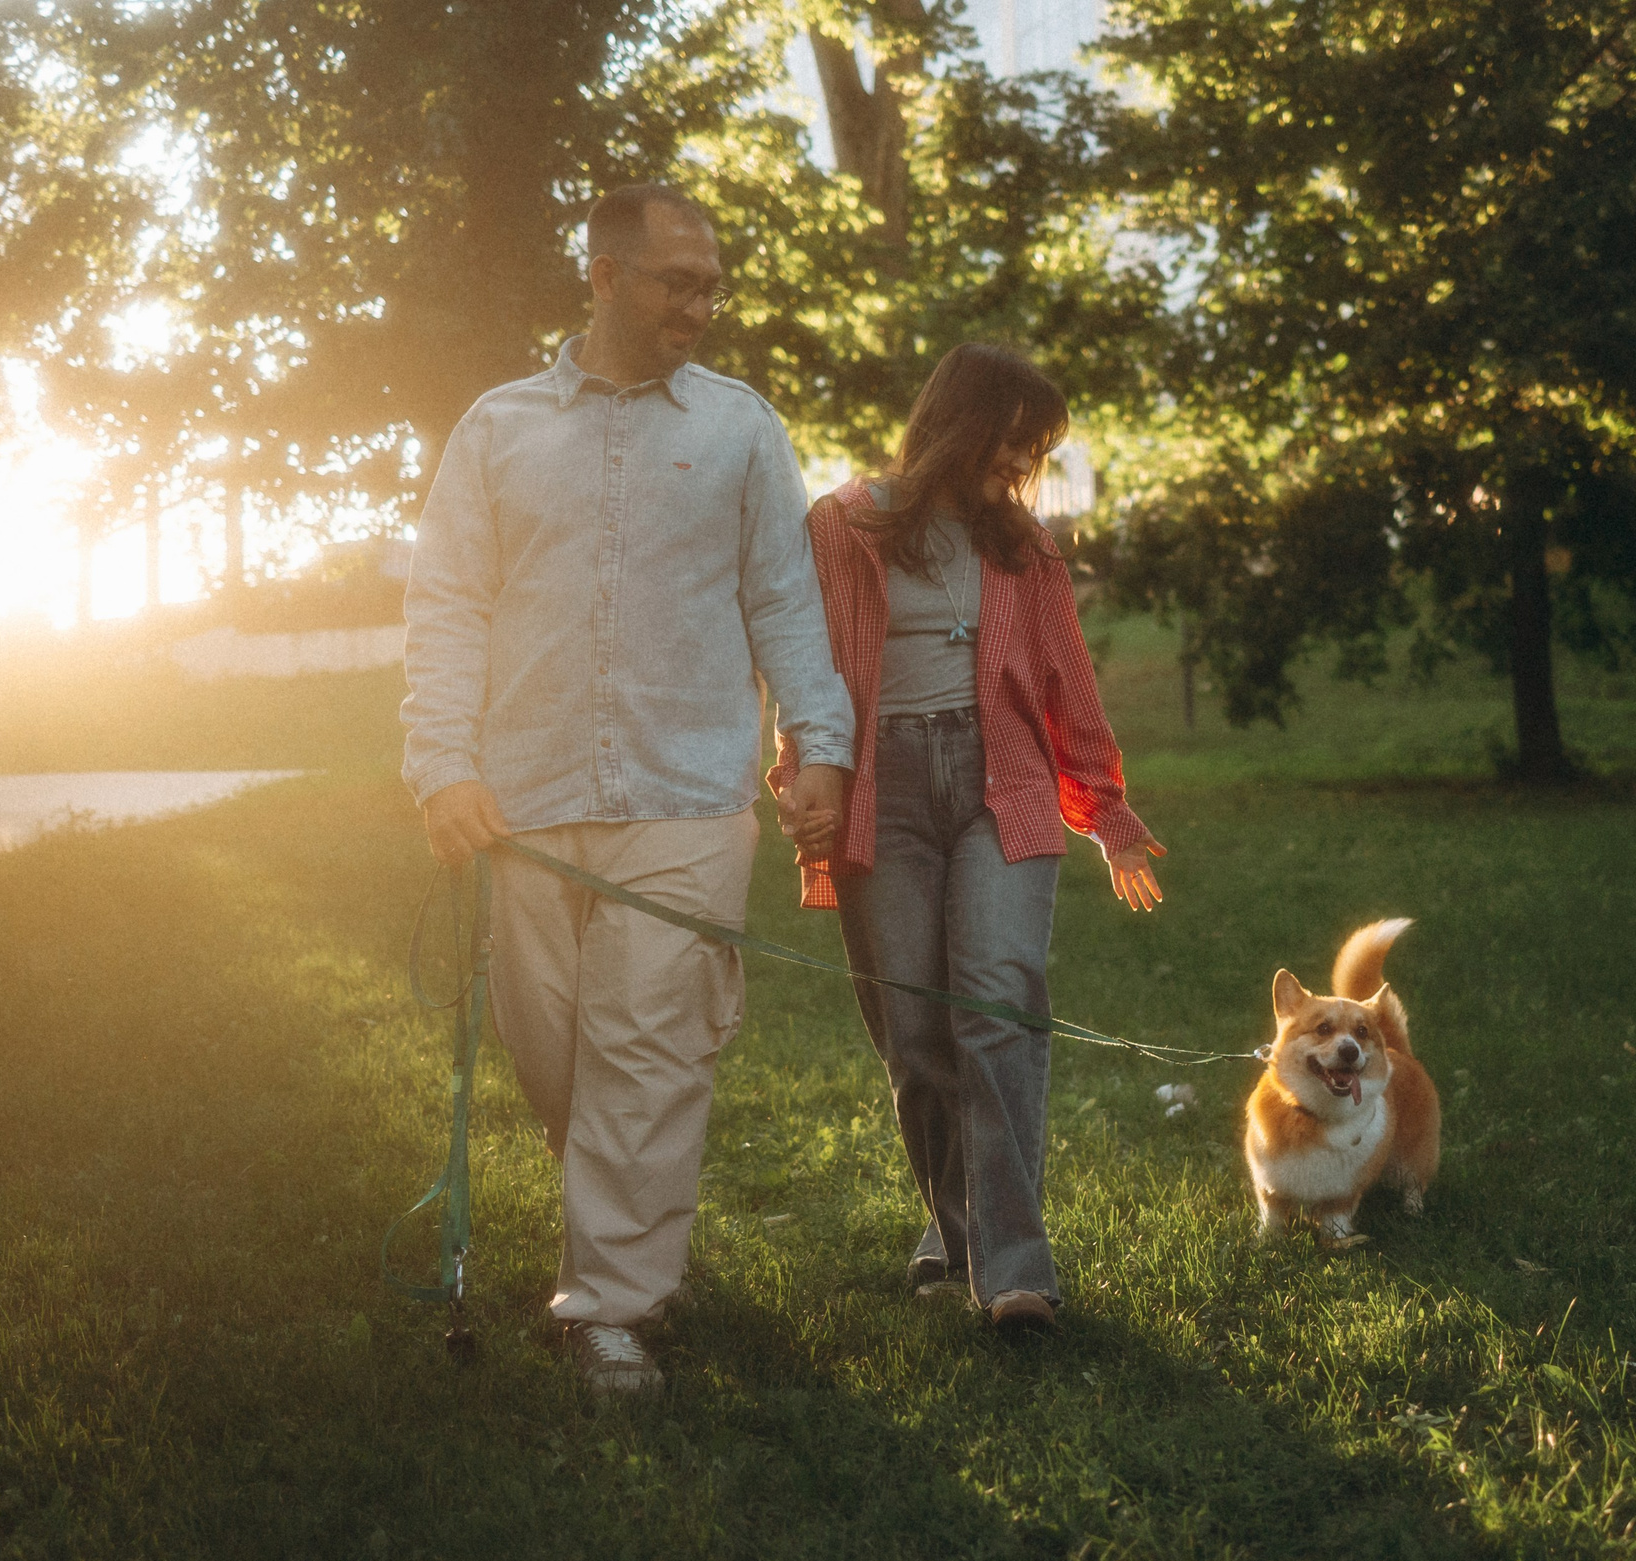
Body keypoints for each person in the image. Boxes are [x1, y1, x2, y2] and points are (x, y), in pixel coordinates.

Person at [402, 183, 856, 1394]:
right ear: (602, 276)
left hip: (689, 790)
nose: (701, 307)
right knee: (551, 1049)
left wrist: (822, 744)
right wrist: (441, 768)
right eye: (676, 283)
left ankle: (610, 1307)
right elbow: (447, 607)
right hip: (528, 797)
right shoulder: (496, 430)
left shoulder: (743, 428)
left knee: (647, 1046)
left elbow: (783, 602)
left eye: (711, 285)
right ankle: (632, 1221)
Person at [772, 343, 1165, 1335]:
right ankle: (955, 1233)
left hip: (1005, 786)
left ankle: (1014, 1270)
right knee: (916, 1033)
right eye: (1017, 439)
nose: (1025, 462)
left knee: (993, 1007)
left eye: (1037, 449)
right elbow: (805, 668)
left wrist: (1107, 813)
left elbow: (1066, 682)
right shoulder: (842, 526)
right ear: (962, 422)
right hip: (882, 788)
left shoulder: (1023, 548)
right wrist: (803, 774)